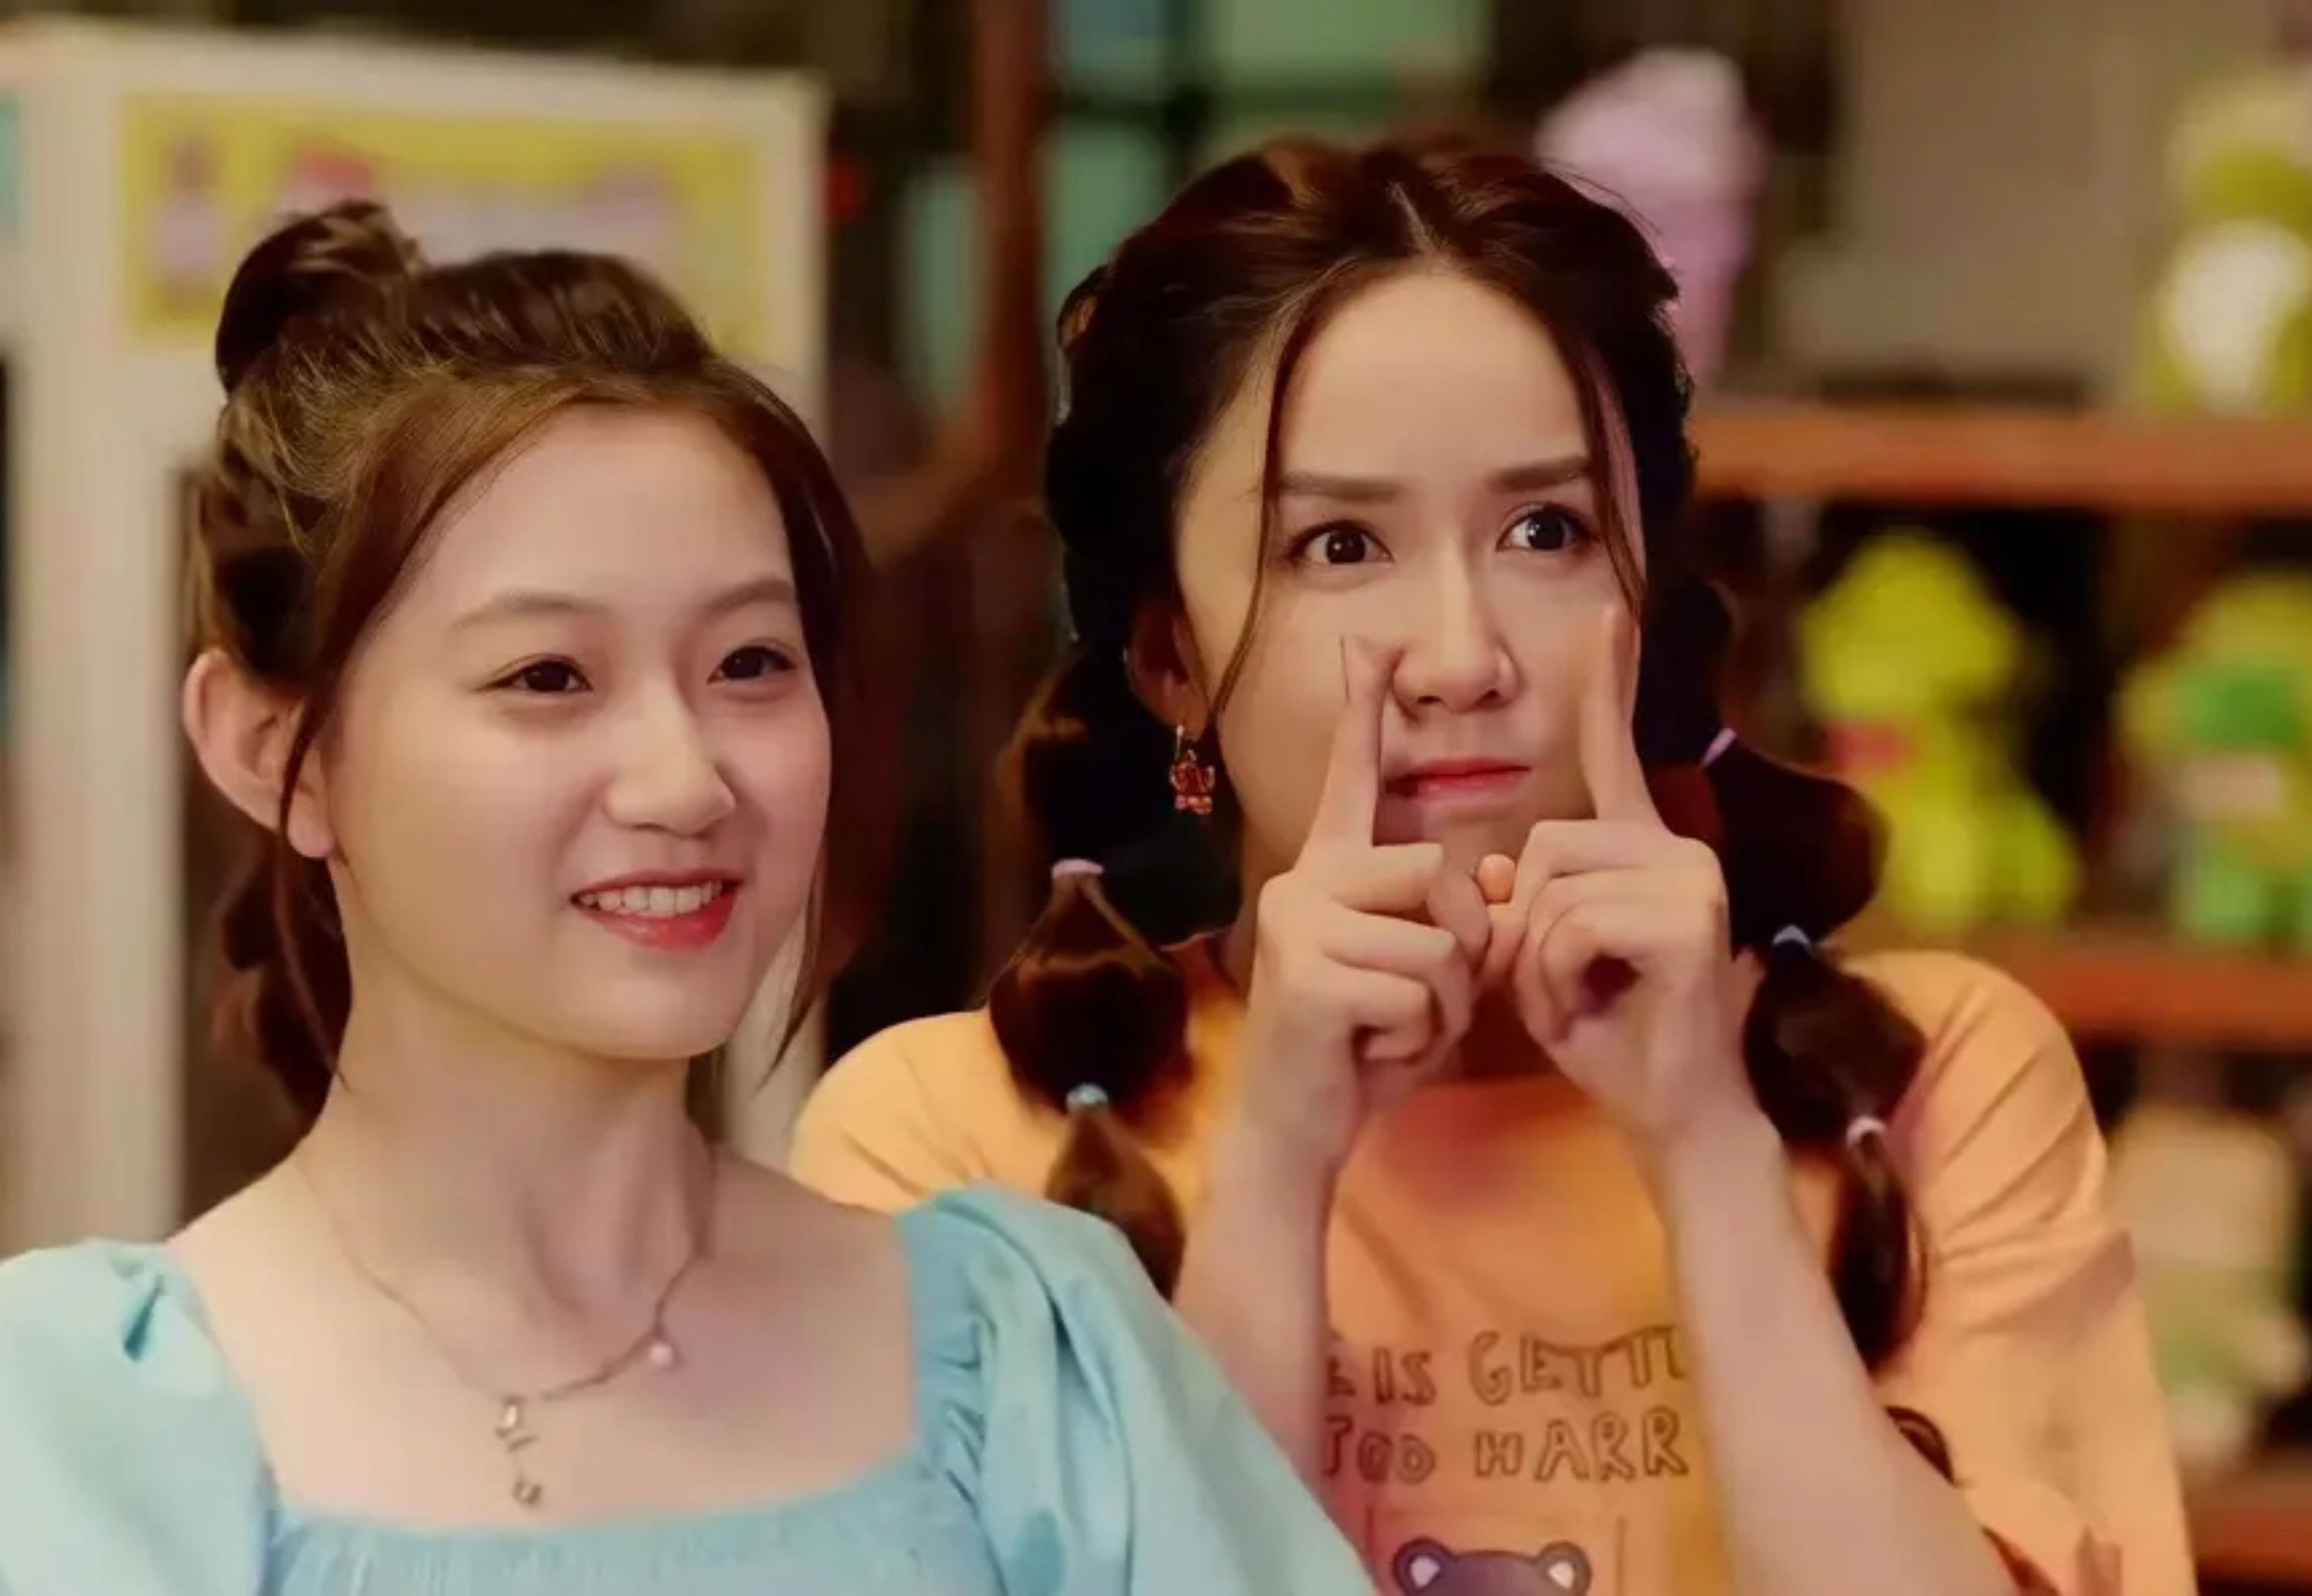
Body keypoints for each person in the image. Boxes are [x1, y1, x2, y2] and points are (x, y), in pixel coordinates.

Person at [0, 202, 1371, 1596]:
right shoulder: (65, 1443)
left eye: (750, 663)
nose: (684, 778)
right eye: (549, 676)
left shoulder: (1035, 1370)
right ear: (279, 752)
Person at [792, 137, 2195, 1596]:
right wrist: (1273, 1169)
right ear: (1171, 659)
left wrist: (1708, 1155)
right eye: (1340, 546)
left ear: (1643, 598)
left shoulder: (1929, 1088)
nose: (1463, 657)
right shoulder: (951, 1146)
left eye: (1547, 531)